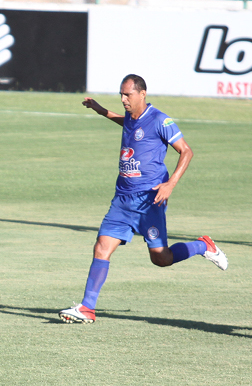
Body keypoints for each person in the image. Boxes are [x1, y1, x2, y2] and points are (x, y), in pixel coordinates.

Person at [59, 74, 228, 324]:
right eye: (121, 94)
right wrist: (100, 110)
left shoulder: (161, 120)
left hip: (149, 201)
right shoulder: (130, 116)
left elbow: (186, 151)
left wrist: (170, 185)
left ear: (142, 94)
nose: (123, 99)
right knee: (101, 248)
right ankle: (87, 308)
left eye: (127, 94)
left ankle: (204, 245)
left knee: (161, 259)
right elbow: (126, 123)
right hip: (122, 199)